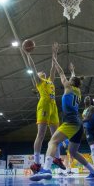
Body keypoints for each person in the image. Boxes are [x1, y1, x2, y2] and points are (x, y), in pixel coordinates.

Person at [30, 55, 94, 181]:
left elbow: (61, 72)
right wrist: (73, 70)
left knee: (52, 142)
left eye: (70, 78)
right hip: (78, 125)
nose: (67, 79)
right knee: (73, 152)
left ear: (70, 82)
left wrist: (55, 59)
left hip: (71, 122)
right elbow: (73, 78)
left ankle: (46, 169)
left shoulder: (67, 86)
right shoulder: (78, 90)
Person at [25, 42, 65, 173]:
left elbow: (53, 67)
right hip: (43, 105)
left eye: (43, 72)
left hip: (53, 107)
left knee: (56, 135)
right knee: (41, 134)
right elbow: (33, 67)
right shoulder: (39, 82)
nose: (42, 71)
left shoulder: (50, 81)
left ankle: (57, 158)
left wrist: (54, 53)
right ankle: (36, 163)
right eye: (40, 72)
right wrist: (28, 55)